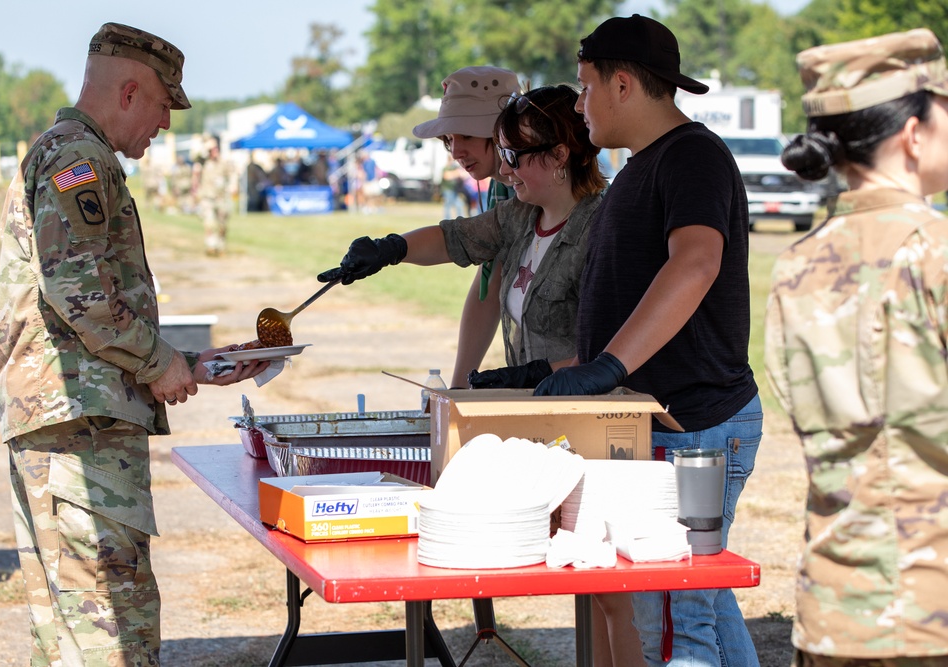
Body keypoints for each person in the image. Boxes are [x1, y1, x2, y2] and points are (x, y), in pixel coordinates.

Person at [472, 14, 762, 666]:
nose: (579, 105)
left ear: (624, 84)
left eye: (584, 87)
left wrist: (608, 367)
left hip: (696, 425)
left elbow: (695, 264)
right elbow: (625, 314)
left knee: (677, 620)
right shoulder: (640, 170)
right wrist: (544, 370)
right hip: (665, 422)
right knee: (700, 601)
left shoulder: (692, 157)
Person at [0, 23, 269, 665]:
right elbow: (78, 291)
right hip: (77, 431)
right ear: (130, 92)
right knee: (109, 629)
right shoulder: (78, 161)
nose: (165, 127)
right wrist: (158, 360)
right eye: (164, 107)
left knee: (71, 634)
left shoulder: (73, 155)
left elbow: (79, 306)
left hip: (70, 420)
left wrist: (193, 362)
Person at [765, 29, 948, 667]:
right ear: (914, 132)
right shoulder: (935, 250)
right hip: (931, 613)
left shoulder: (796, 265)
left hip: (834, 611)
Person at [320, 83, 606, 385]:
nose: (506, 171)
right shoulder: (519, 216)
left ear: (559, 155)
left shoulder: (599, 230)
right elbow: (453, 239)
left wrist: (533, 376)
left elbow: (605, 353)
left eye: (513, 156)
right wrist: (390, 249)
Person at [412, 65, 523, 389]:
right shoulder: (500, 188)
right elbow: (489, 281)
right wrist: (459, 388)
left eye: (468, 136)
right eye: (449, 139)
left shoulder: (536, 189)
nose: (456, 151)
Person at [193, 136, 237, 256]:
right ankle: (211, 246)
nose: (213, 151)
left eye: (215, 148)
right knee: (209, 223)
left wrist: (233, 186)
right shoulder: (203, 162)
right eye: (211, 149)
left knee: (222, 224)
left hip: (221, 197)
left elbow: (232, 175)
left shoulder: (224, 162)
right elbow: (196, 174)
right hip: (207, 197)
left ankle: (221, 245)